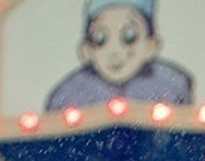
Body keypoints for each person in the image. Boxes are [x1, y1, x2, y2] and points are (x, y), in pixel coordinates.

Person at [46, 0, 193, 113]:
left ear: (151, 45)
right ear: (87, 50)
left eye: (129, 36)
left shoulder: (171, 85)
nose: (114, 51)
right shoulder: (69, 95)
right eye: (100, 38)